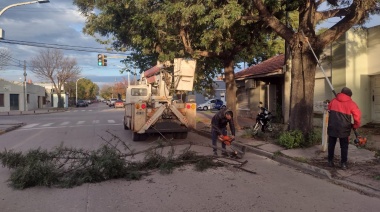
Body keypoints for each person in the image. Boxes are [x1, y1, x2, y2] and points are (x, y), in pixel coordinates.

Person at [327, 87, 361, 170]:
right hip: (344, 128)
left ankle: (330, 161)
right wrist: (355, 125)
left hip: (332, 126)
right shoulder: (351, 103)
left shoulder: (333, 101)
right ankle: (343, 164)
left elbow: (329, 110)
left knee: (331, 144)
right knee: (344, 146)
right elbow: (357, 116)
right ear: (349, 96)